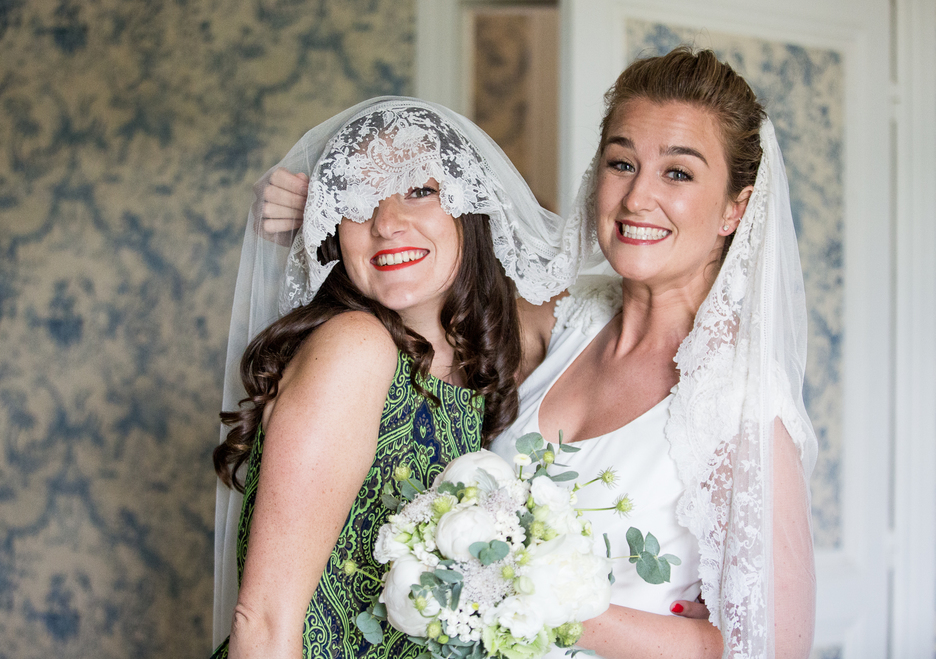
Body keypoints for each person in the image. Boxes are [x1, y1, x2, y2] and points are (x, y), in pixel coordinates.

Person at [258, 48, 818, 659]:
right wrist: (344, 208)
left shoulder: (738, 400)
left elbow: (768, 648)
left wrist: (535, 593)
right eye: (622, 163)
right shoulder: (558, 319)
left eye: (678, 173)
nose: (636, 199)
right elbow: (427, 289)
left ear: (735, 208)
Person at [211, 97, 576, 658]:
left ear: (471, 207)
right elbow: (263, 618)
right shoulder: (356, 347)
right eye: (357, 198)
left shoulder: (473, 366)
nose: (385, 222)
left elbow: (596, 296)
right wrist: (325, 221)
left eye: (419, 190)